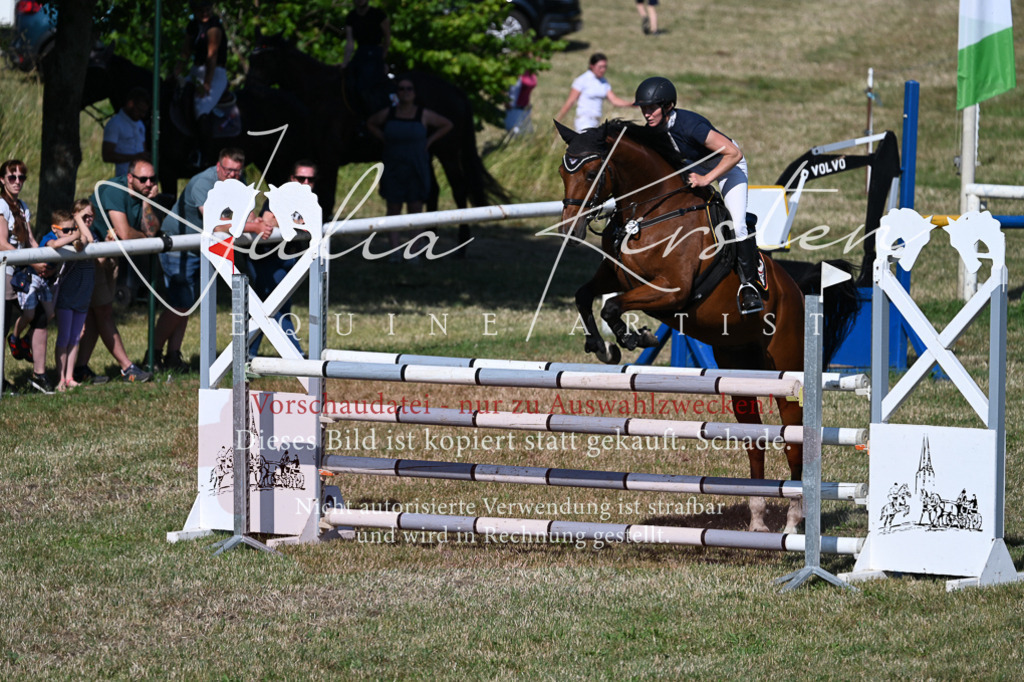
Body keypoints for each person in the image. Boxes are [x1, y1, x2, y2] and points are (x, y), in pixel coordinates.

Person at [633, 76, 762, 315]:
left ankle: (749, 286)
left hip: (728, 167)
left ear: (668, 106)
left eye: (651, 108)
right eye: (644, 108)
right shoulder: (653, 131)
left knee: (737, 223)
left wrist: (705, 179)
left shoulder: (691, 125)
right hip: (693, 167)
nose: (647, 113)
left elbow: (734, 153)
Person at [154, 148, 271, 370]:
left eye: (237, 171)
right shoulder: (202, 184)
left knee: (187, 303)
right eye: (228, 170)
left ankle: (173, 355)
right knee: (180, 303)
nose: (233, 176)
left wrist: (258, 223)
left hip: (203, 247)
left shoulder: (238, 180)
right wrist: (254, 227)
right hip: (179, 243)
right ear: (218, 167)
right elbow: (214, 223)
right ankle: (153, 355)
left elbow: (247, 211)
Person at [76, 157, 160, 383]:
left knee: (96, 316)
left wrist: (146, 202)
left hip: (111, 258)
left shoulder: (142, 195)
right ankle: (127, 367)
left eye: (153, 179)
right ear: (130, 178)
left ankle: (80, 368)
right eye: (144, 179)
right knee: (102, 312)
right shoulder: (114, 190)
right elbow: (124, 233)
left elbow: (152, 230)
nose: (149, 183)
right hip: (92, 258)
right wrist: (143, 237)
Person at [367, 77, 453, 255]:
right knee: (393, 208)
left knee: (415, 208)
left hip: (416, 167)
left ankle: (413, 250)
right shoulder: (388, 113)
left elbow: (446, 124)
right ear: (397, 93)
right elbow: (371, 123)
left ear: (414, 93)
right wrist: (384, 139)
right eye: (401, 89)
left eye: (409, 89)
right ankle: (395, 251)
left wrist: (429, 141)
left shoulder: (423, 114)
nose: (405, 92)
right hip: (393, 167)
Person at [245, 159, 317, 357]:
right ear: (292, 179)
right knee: (277, 305)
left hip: (288, 257)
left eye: (310, 179)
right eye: (301, 178)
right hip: (264, 256)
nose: (306, 183)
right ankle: (296, 355)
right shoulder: (281, 195)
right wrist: (297, 221)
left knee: (265, 307)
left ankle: (247, 354)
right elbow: (269, 219)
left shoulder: (312, 200)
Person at [1, 159, 51, 391]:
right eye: (12, 177)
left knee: (40, 317)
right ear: (2, 180)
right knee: (2, 324)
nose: (17, 181)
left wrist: (39, 260)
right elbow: (1, 243)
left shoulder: (22, 207)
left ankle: (39, 376)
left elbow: (30, 239)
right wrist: (32, 261)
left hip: (21, 272)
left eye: (21, 177)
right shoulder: (1, 206)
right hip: (5, 273)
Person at [41, 206, 95, 391]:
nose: (70, 233)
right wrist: (75, 234)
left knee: (75, 339)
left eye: (72, 229)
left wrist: (78, 223)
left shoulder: (72, 238)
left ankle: (70, 377)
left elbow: (88, 240)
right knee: (63, 339)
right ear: (54, 229)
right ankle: (61, 378)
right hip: (62, 297)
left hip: (80, 298)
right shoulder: (50, 238)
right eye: (66, 230)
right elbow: (55, 245)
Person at [555, 53, 632, 132]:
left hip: (596, 122)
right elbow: (570, 101)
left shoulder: (604, 82)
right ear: (592, 66)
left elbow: (614, 100)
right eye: (600, 67)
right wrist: (558, 120)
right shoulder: (582, 80)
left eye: (605, 67)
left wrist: (631, 104)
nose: (603, 70)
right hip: (584, 121)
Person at [342, 0, 391, 115]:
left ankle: (370, 113)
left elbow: (387, 38)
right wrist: (345, 63)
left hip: (375, 51)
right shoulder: (351, 16)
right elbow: (350, 43)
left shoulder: (378, 14)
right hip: (361, 52)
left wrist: (382, 58)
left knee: (366, 84)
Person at [102, 87, 150, 177]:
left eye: (144, 112)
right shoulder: (115, 124)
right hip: (125, 177)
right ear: (130, 104)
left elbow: (143, 150)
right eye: (139, 110)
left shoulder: (140, 124)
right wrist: (134, 157)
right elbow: (107, 155)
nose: (142, 115)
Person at [505, 70, 537, 137]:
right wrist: (507, 102)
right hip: (514, 109)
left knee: (527, 136)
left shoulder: (531, 71)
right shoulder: (517, 70)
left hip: (525, 110)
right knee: (516, 135)